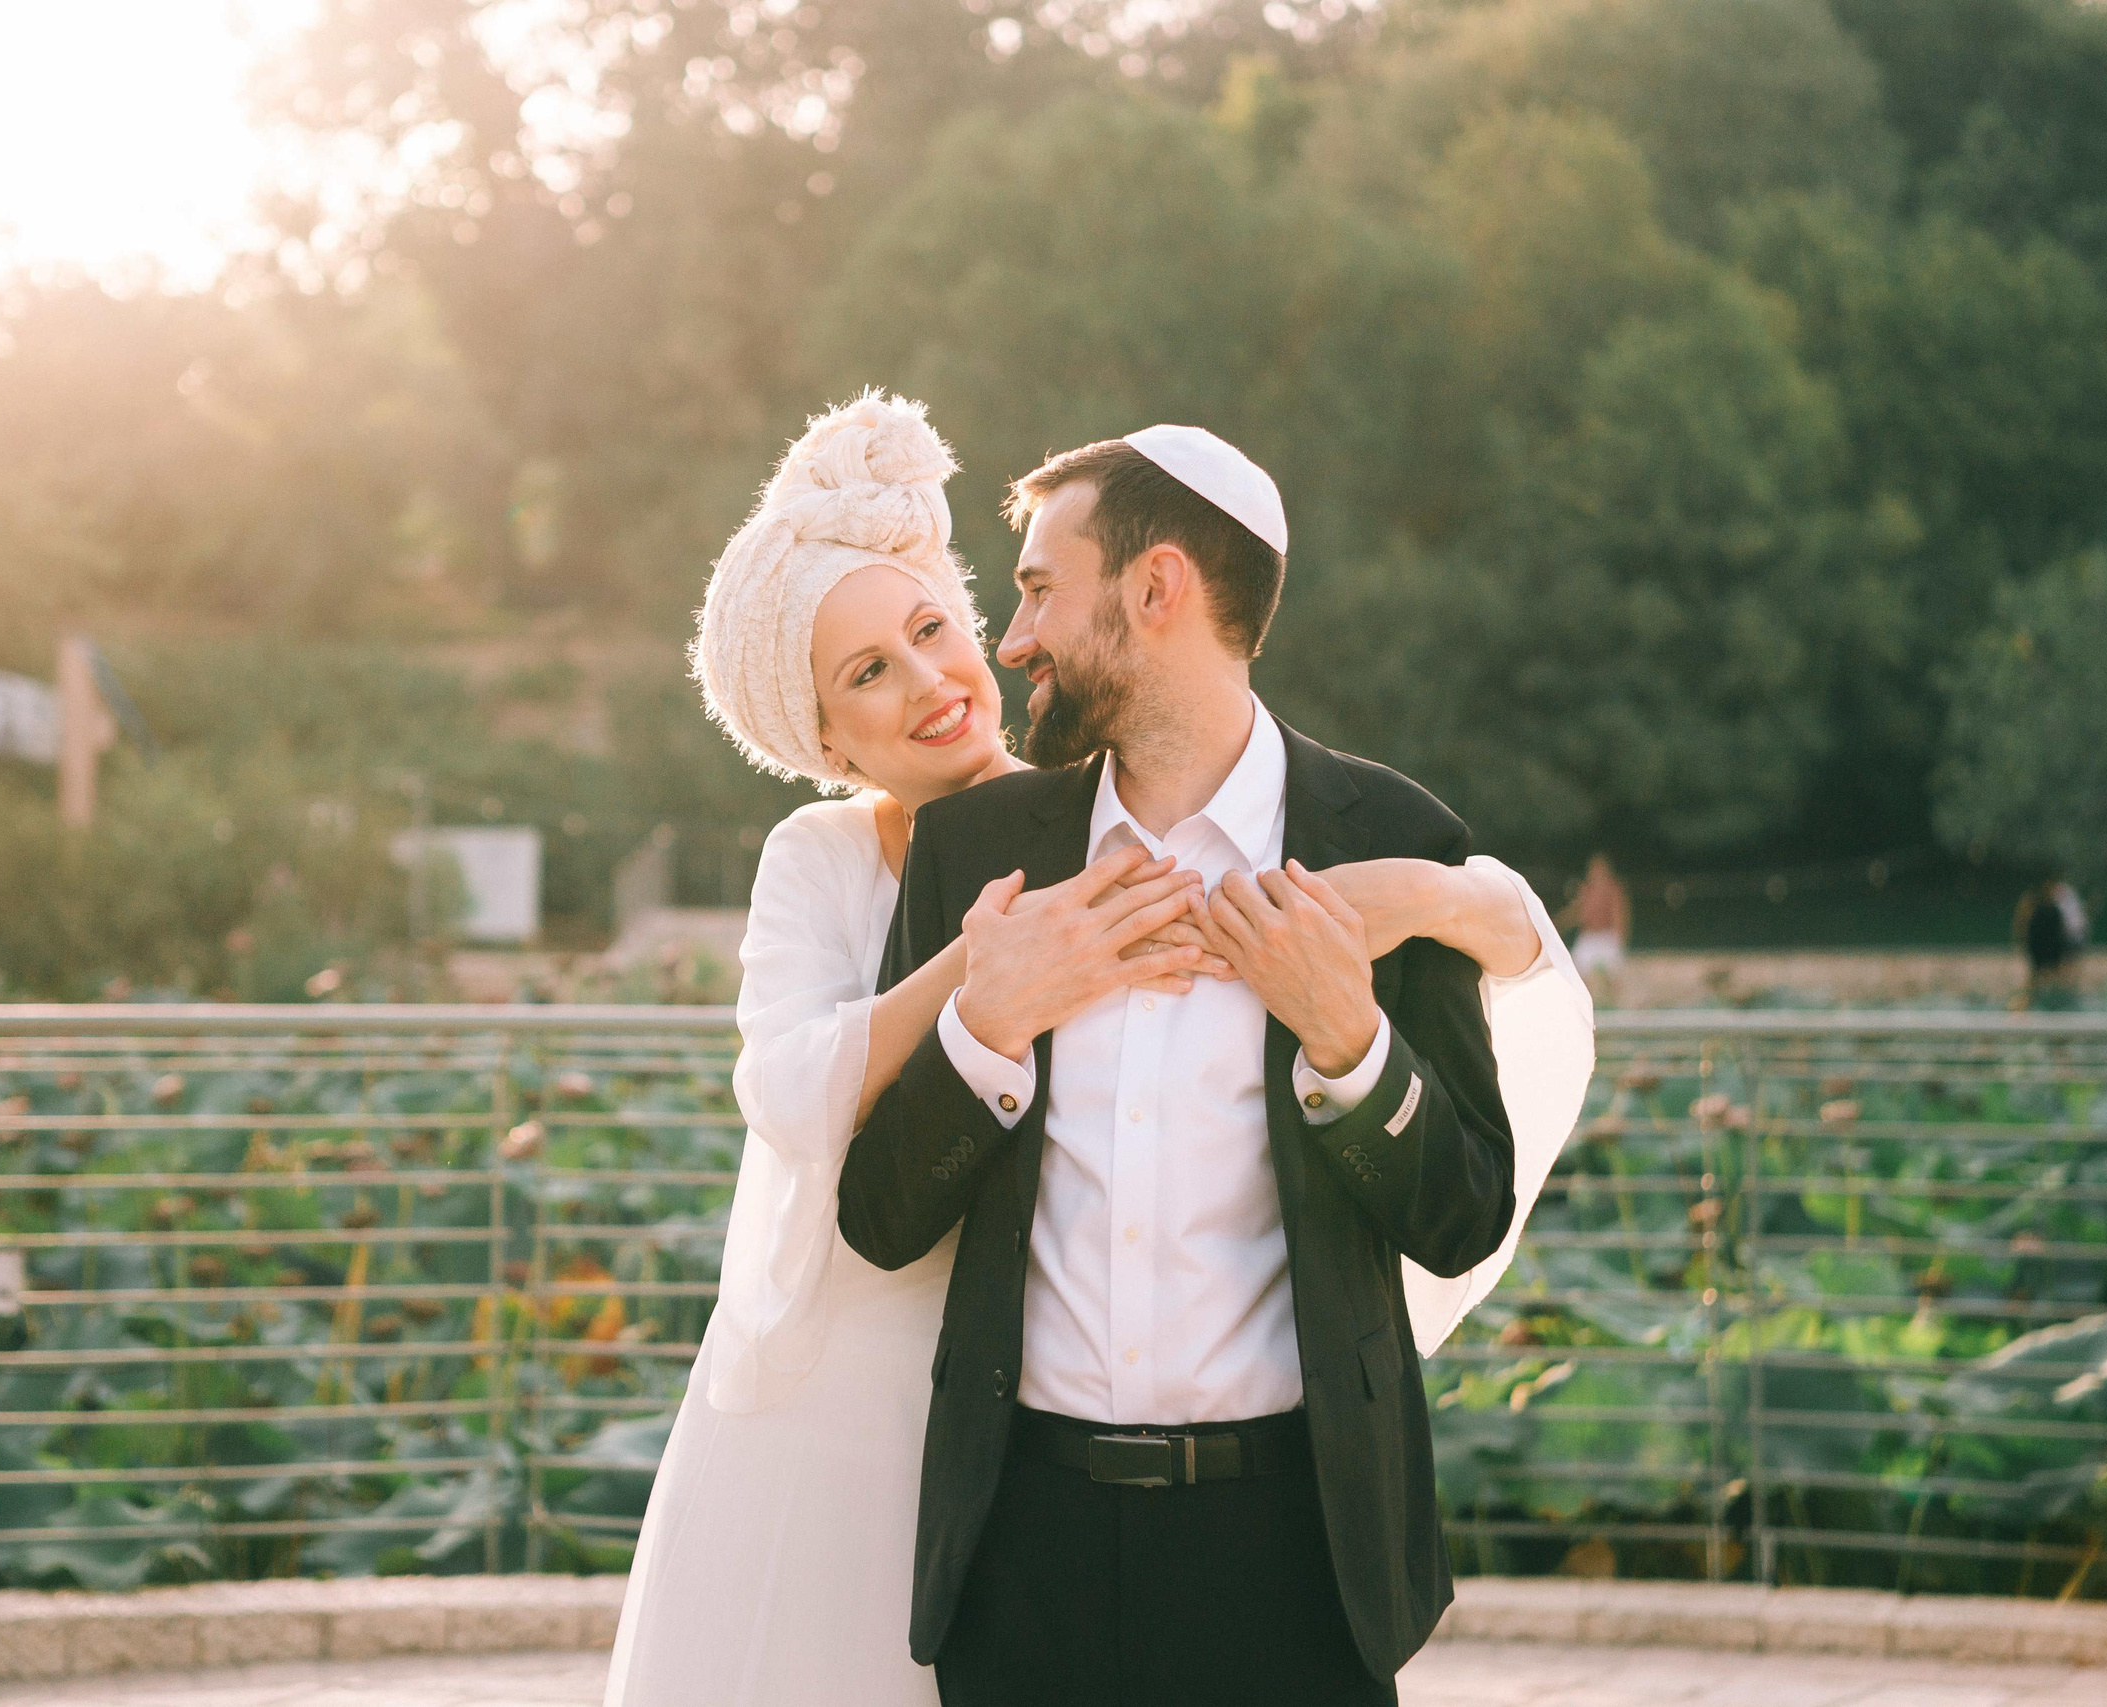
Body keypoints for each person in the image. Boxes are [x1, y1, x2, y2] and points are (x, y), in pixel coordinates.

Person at [605, 395, 1593, 1707]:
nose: (1000, 645)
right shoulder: (975, 855)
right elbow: (884, 1212)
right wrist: (989, 1013)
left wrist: (1349, 1037)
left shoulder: (1389, 836)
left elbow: (1464, 1214)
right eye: (871, 669)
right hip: (1025, 1552)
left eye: (1025, 596)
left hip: (1298, 1551)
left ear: (1157, 589)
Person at [1558, 853, 1631, 985]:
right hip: (1588, 938)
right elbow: (1577, 913)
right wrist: (1558, 924)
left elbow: (1620, 916)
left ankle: (1613, 1004)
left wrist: (1619, 940)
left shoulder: (1613, 889)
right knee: (1577, 974)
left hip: (1606, 937)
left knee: (1613, 978)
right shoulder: (1586, 889)